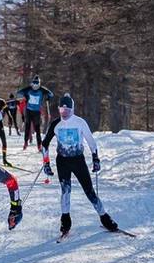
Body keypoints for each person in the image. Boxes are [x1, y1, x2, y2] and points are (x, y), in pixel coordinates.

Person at [39, 94, 119, 237]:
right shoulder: (56, 124)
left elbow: (91, 141)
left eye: (67, 111)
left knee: (89, 191)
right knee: (65, 192)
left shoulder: (80, 122)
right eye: (62, 111)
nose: (64, 114)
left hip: (78, 161)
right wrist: (46, 163)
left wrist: (96, 159)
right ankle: (65, 221)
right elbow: (44, 144)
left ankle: (105, 218)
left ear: (72, 110)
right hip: (62, 161)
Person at [17, 75, 54, 151]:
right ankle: (25, 142)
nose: (35, 86)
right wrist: (25, 95)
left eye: (37, 84)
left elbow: (51, 94)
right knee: (27, 127)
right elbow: (19, 92)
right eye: (34, 84)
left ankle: (39, 145)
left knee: (37, 129)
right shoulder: (29, 89)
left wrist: (48, 97)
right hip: (29, 111)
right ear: (32, 84)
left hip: (37, 112)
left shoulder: (42, 90)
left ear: (39, 84)